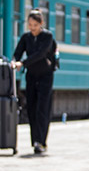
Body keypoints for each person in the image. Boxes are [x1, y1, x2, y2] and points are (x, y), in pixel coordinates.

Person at [12, 9, 58, 154]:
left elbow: (41, 54)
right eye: (30, 25)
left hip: (46, 76)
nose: (32, 28)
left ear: (41, 24)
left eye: (35, 25)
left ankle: (41, 141)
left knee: (42, 108)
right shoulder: (26, 37)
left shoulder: (47, 36)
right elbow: (18, 52)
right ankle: (35, 141)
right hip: (31, 76)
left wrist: (23, 63)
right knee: (31, 107)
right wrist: (15, 62)